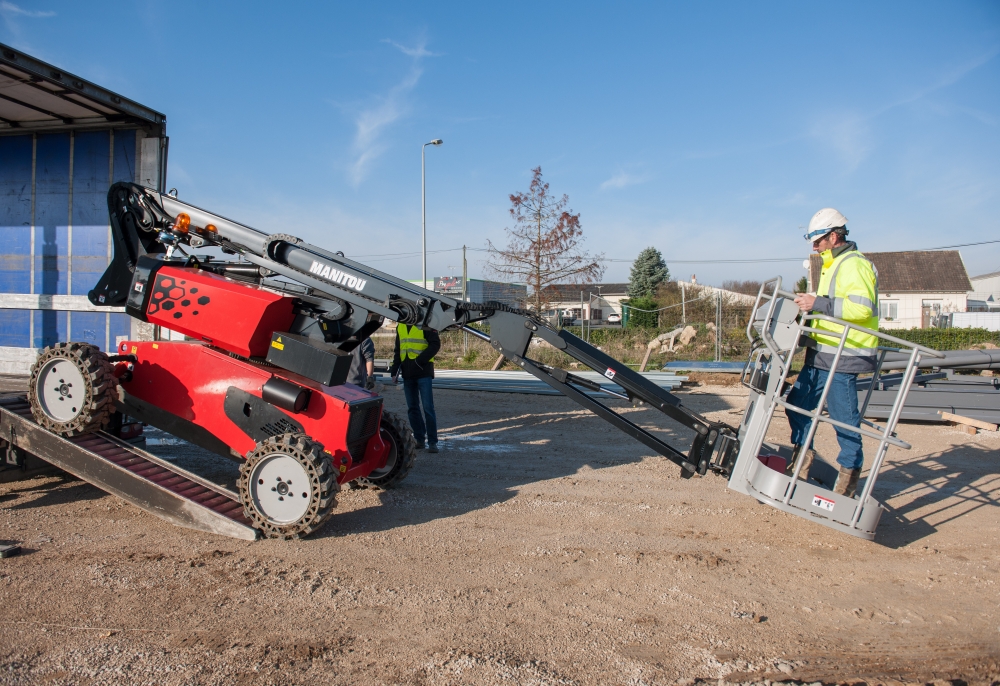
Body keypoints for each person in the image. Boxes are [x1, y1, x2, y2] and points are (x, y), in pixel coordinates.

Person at [788, 208, 879, 498]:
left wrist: (819, 303)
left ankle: (848, 481)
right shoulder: (830, 265)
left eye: (818, 240)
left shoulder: (854, 264)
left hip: (844, 355)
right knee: (796, 404)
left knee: (843, 419)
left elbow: (862, 308)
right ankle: (802, 462)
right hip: (822, 352)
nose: (814, 247)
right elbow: (825, 306)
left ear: (834, 235)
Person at [389, 323, 441, 453]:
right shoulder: (400, 326)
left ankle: (433, 442)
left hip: (423, 372)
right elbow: (398, 349)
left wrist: (419, 361)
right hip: (408, 374)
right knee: (412, 409)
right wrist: (394, 371)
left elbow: (435, 344)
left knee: (428, 408)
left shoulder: (425, 324)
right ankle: (419, 439)